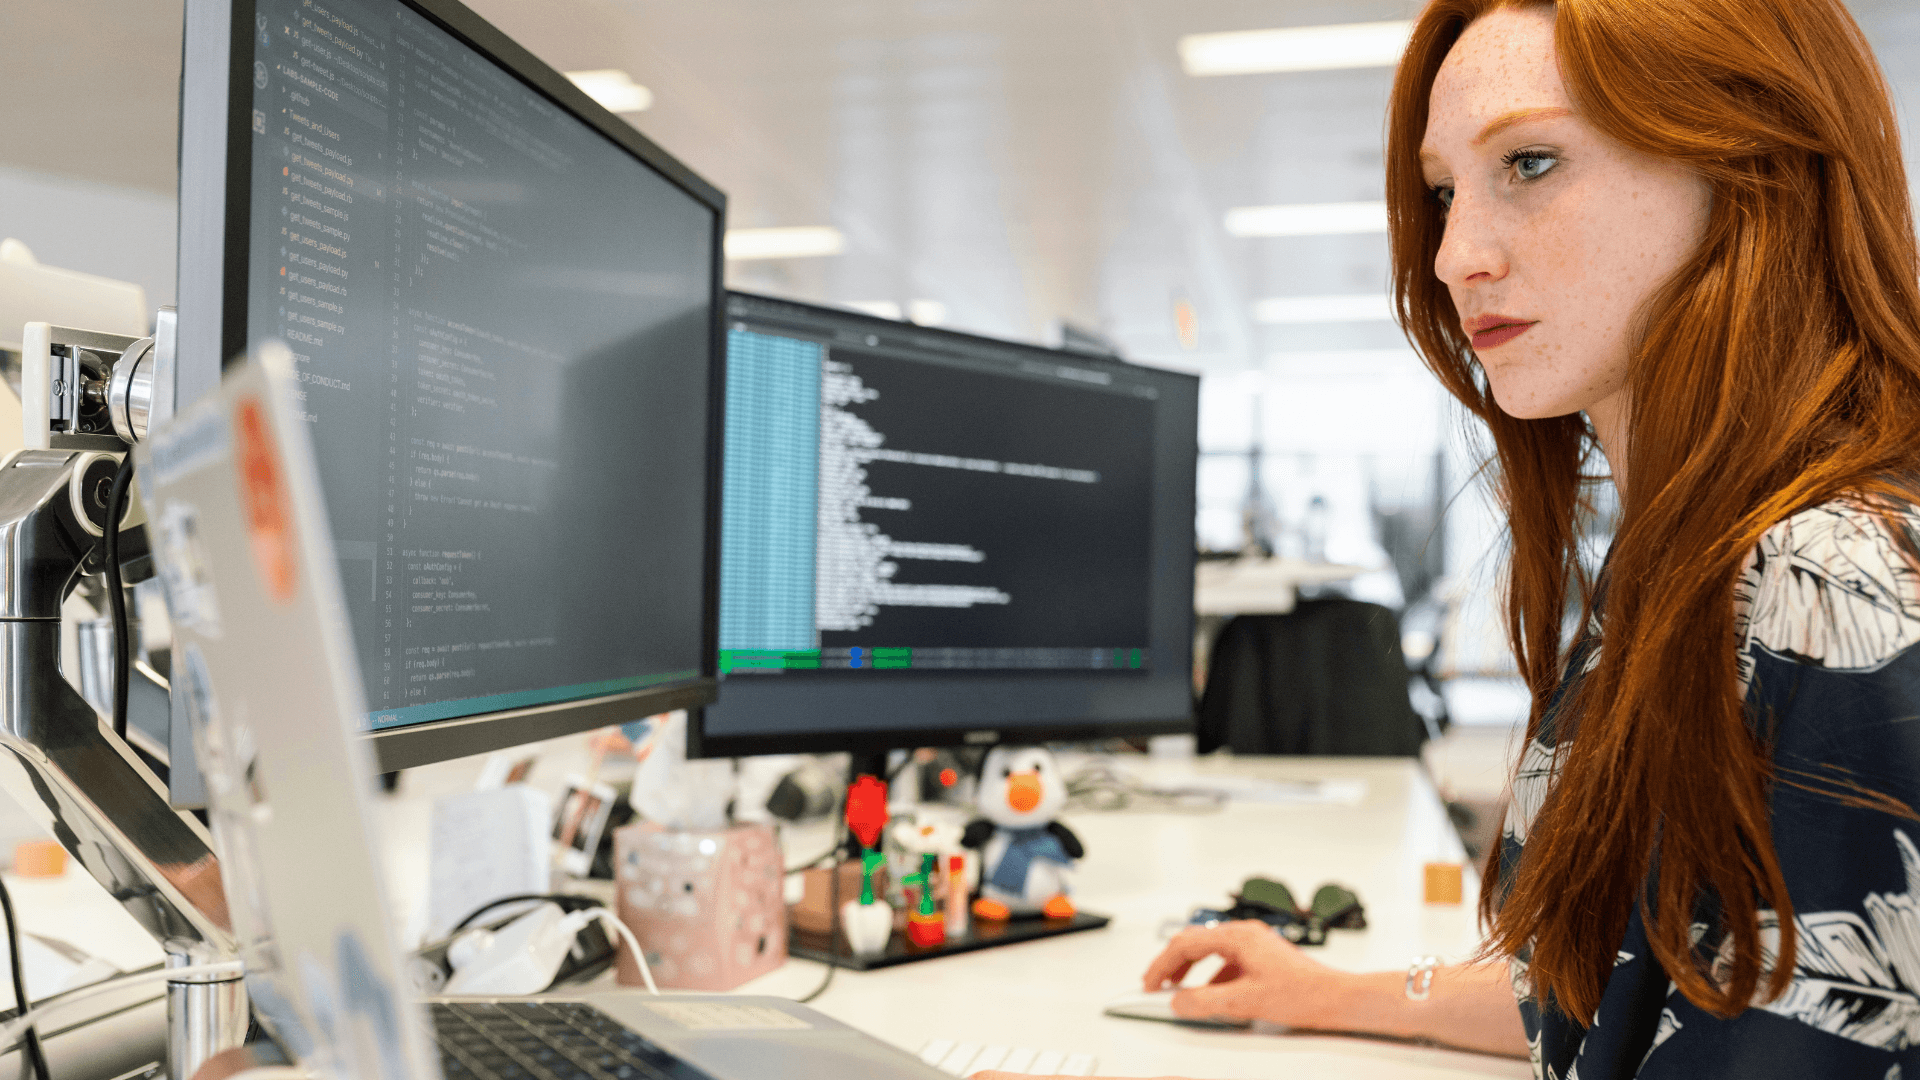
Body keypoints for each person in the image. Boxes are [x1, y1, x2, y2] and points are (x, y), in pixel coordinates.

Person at [974, 0, 1920, 1077]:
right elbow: (1624, 998)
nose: (1452, 255)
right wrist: (1324, 993)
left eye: (1529, 162)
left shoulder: (1832, 587)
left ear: (1751, 165)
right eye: (1442, 192)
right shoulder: (1690, 565)